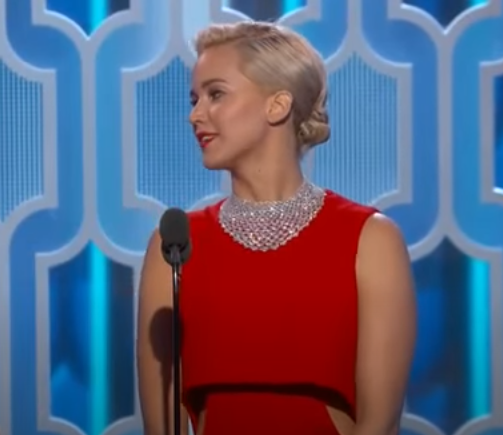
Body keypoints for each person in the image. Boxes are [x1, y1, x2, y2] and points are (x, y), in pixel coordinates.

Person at [136, 21, 417, 435]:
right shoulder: (175, 245)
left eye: (216, 94)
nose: (195, 115)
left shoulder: (370, 239)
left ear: (277, 105)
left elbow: (380, 423)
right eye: (195, 99)